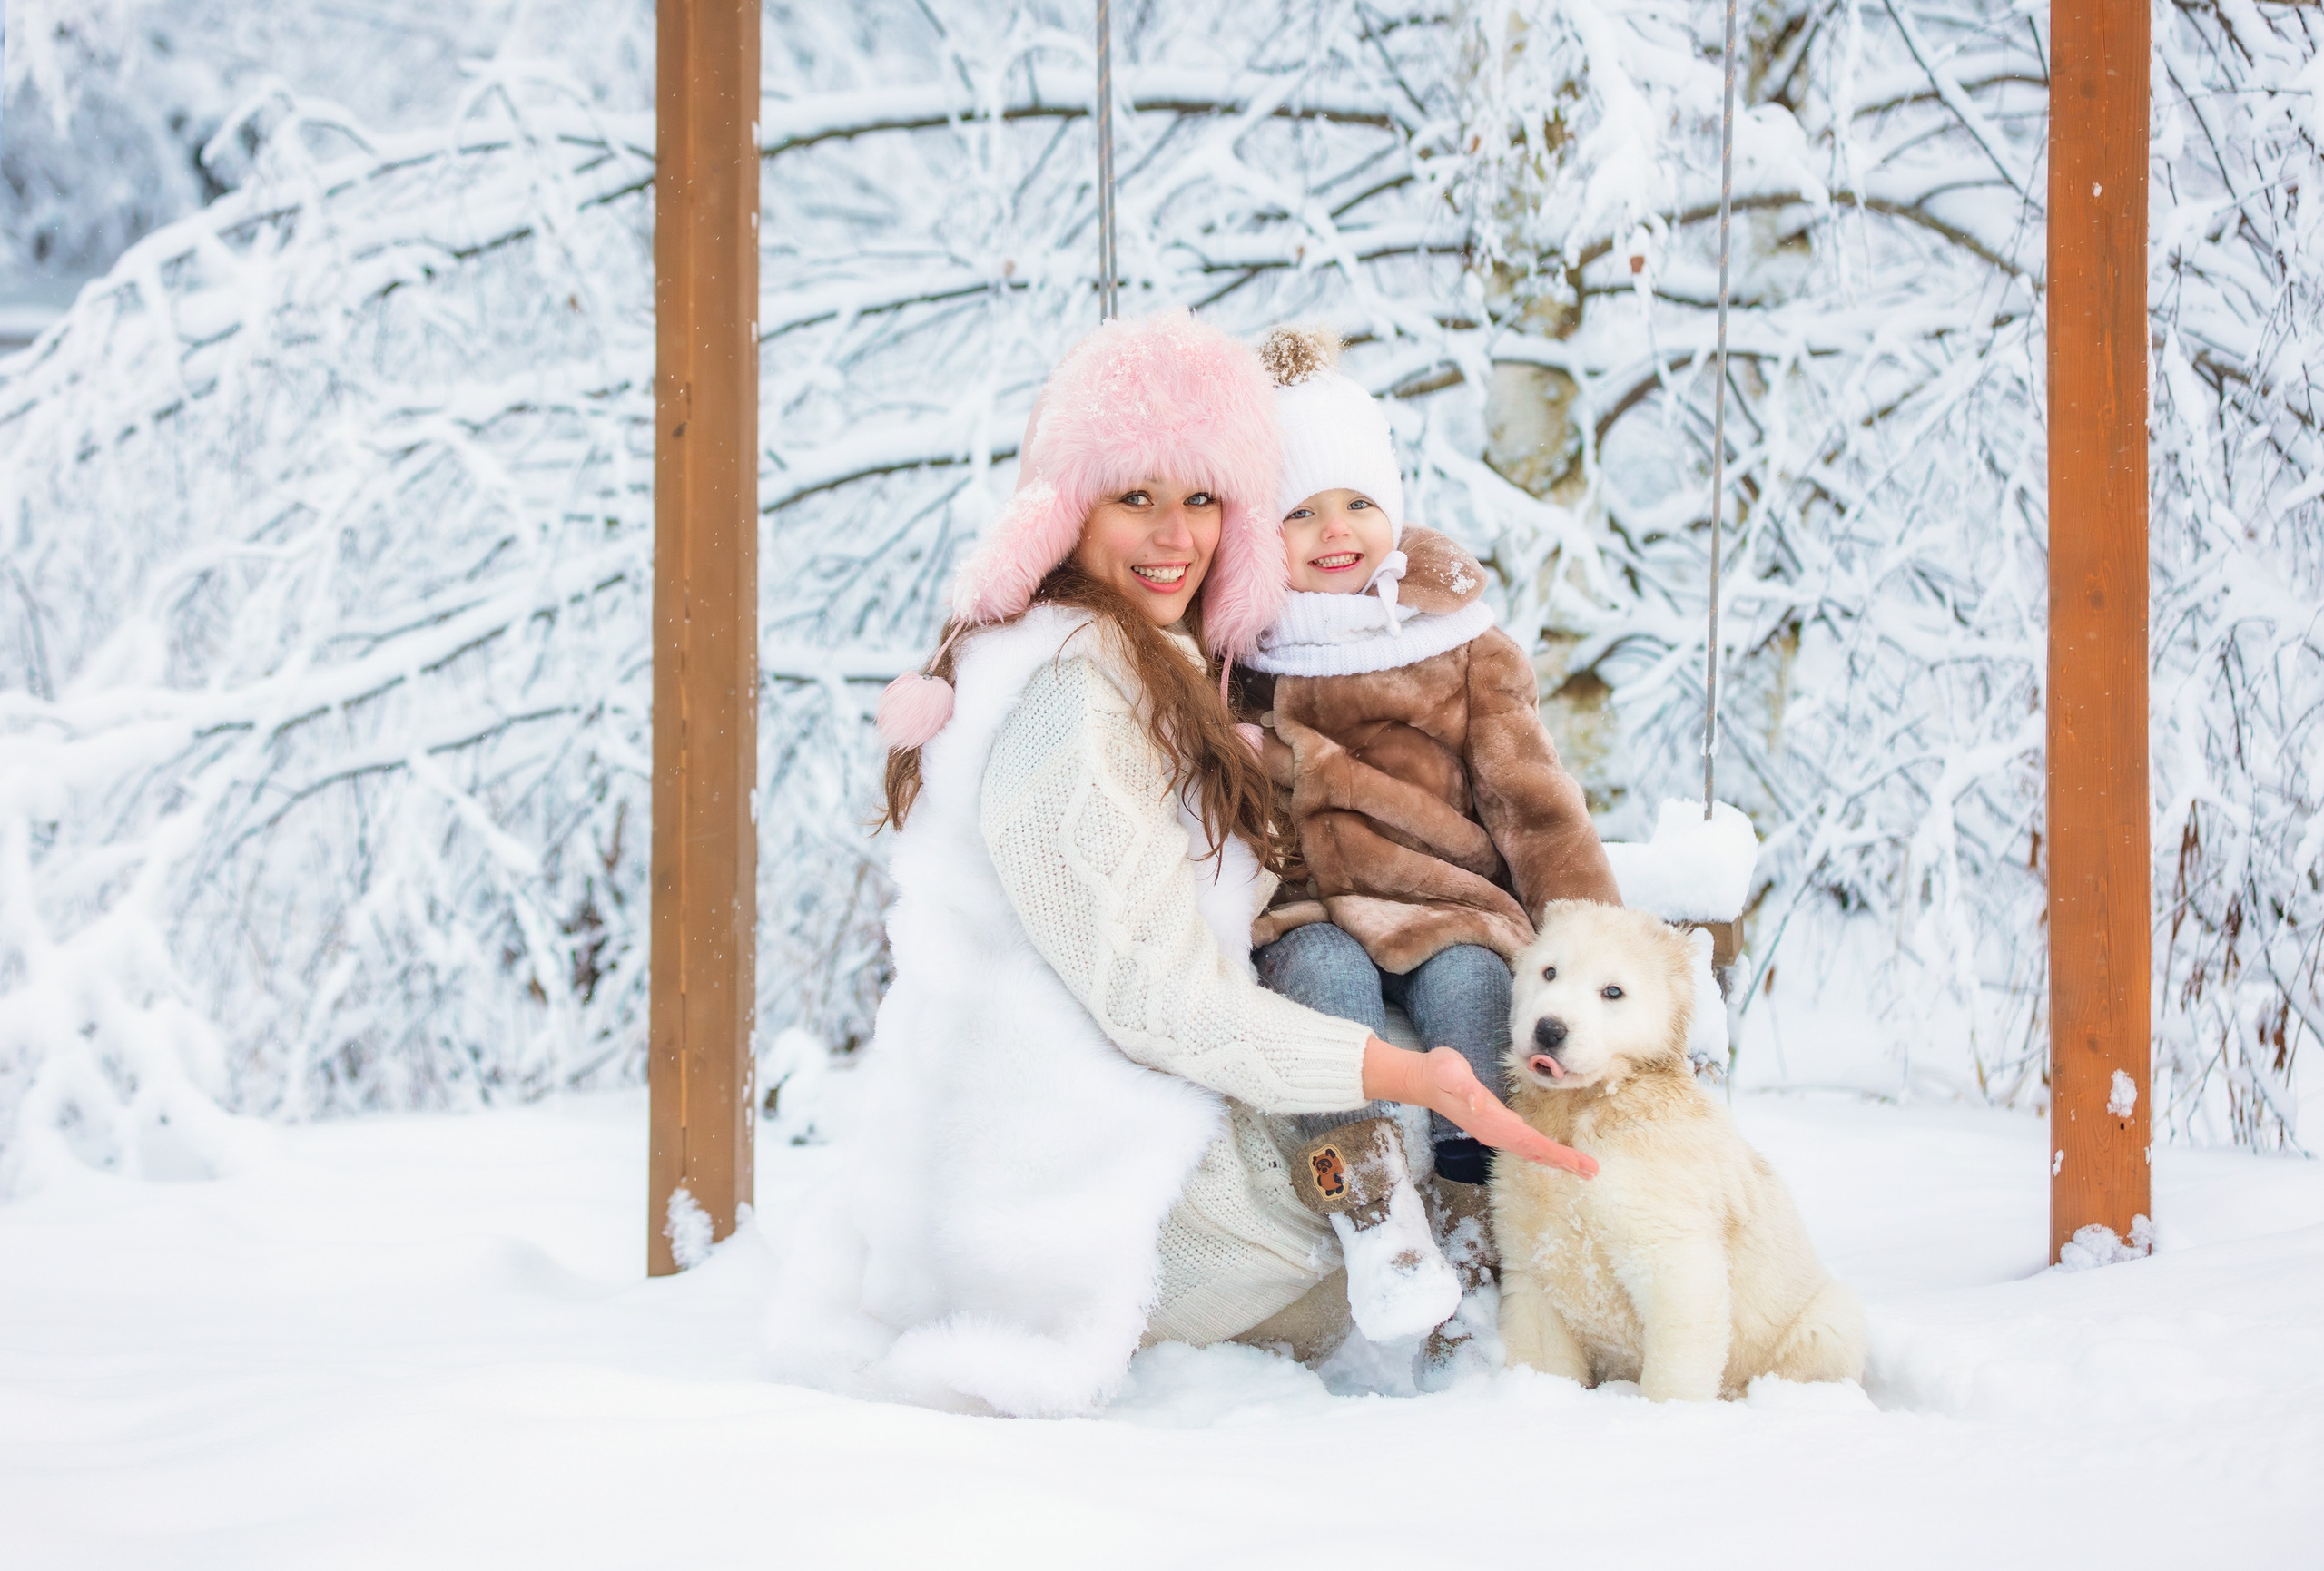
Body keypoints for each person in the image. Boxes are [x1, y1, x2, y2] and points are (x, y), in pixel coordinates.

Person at [763, 310, 1592, 1419]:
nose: (1173, 535)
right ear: (1066, 509)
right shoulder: (1069, 702)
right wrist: (1404, 1077)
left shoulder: (1137, 663)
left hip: (1060, 1125)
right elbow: (1160, 1001)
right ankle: (1494, 1308)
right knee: (1384, 1107)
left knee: (1427, 1023)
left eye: (1201, 498)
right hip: (1076, 1187)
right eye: (1135, 496)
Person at [1237, 325, 1623, 1339]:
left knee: (1472, 993)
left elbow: (1532, 802)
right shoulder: (1243, 654)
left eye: (1359, 502)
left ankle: (1467, 1203)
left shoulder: (1455, 645)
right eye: (1301, 510)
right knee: (1320, 996)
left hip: (1444, 902)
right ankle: (1374, 1216)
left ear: (1394, 510)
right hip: (1307, 907)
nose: (1336, 529)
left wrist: (1593, 935)